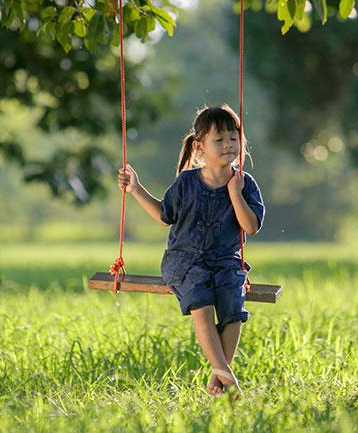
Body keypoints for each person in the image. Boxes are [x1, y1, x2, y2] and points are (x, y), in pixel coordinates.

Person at [117, 104, 264, 398]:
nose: (228, 145)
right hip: (184, 261)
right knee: (203, 307)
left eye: (233, 138)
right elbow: (163, 215)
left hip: (225, 262)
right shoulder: (186, 182)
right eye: (219, 140)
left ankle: (219, 372)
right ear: (200, 146)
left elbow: (250, 227)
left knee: (234, 311)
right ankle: (229, 379)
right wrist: (136, 189)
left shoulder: (245, 184)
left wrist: (235, 193)